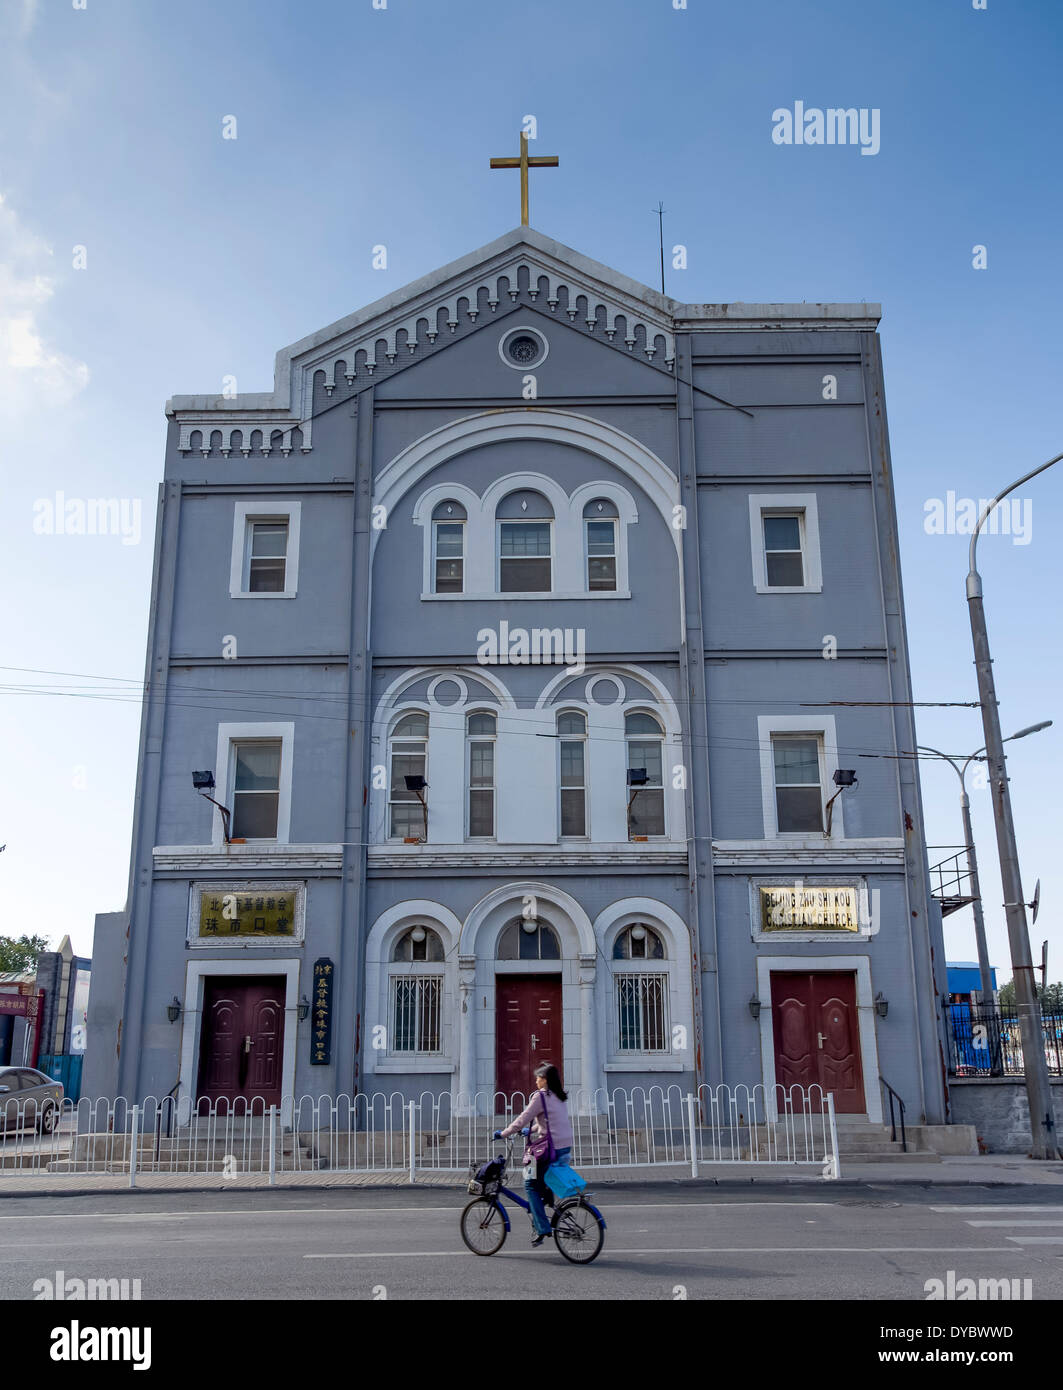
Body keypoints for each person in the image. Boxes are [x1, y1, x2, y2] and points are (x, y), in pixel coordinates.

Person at [495, 1063, 573, 1246]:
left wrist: (503, 1133)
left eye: (538, 1077)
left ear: (544, 1080)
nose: (536, 1080)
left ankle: (541, 1227)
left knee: (529, 1184)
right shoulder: (558, 1096)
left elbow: (523, 1119)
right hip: (564, 1146)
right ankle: (546, 1204)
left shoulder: (540, 1096)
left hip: (550, 1149)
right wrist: (532, 1130)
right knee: (542, 1182)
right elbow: (550, 1121)